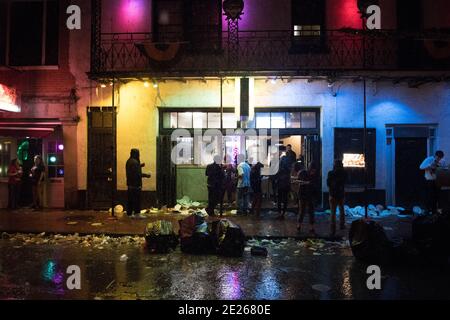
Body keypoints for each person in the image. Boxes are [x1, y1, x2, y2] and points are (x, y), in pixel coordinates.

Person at [126, 149, 151, 218]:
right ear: (135, 154)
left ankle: (129, 213)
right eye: (138, 154)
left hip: (130, 184)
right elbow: (137, 174)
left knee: (130, 200)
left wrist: (140, 166)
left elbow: (133, 170)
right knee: (136, 200)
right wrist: (146, 175)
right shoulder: (134, 162)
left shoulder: (130, 161)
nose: (139, 155)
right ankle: (137, 214)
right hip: (135, 185)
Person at [420, 150, 446, 214]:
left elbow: (443, 170)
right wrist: (429, 166)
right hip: (429, 180)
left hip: (438, 180)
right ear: (435, 156)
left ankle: (436, 210)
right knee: (430, 196)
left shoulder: (442, 161)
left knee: (438, 196)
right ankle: (429, 210)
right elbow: (421, 167)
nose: (439, 159)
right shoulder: (429, 159)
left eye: (440, 158)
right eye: (438, 158)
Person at [327, 159, 348, 236]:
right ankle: (342, 225)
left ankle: (333, 230)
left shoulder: (330, 173)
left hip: (332, 194)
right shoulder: (344, 173)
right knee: (341, 210)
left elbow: (328, 183)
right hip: (341, 194)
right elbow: (346, 182)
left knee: (333, 212)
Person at [297, 164, 317, 234]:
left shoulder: (311, 174)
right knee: (302, 211)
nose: (313, 172)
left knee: (310, 211)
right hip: (303, 194)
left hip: (309, 195)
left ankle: (311, 227)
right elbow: (298, 181)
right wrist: (307, 183)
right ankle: (299, 225)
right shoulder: (303, 173)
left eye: (314, 171)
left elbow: (314, 185)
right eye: (312, 170)